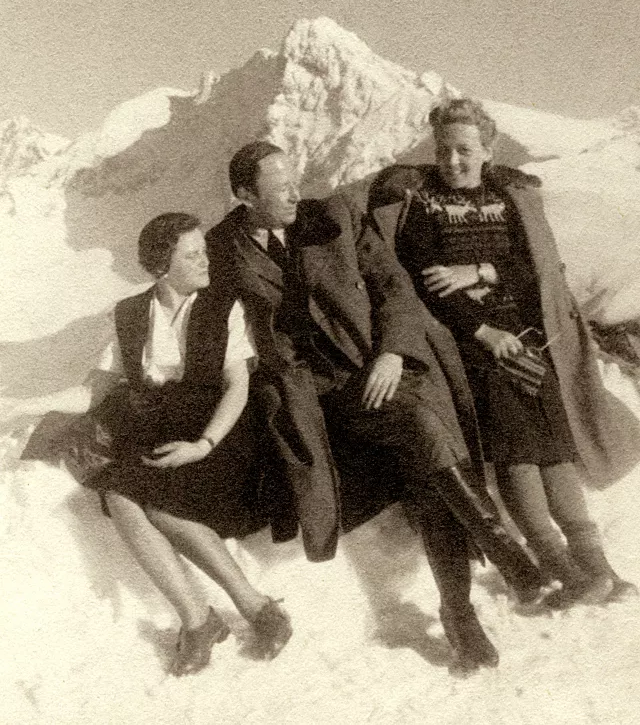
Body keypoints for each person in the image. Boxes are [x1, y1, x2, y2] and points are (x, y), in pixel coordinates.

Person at [206, 141, 547, 673]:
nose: (296, 192)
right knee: (420, 443)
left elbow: (395, 287)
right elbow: (195, 321)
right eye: (279, 189)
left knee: (420, 450)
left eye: (295, 179)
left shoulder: (333, 217)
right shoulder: (221, 249)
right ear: (245, 195)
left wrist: (391, 352)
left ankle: (467, 602)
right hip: (306, 399)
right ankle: (495, 558)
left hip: (370, 370)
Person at [369, 97, 640, 609]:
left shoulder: (508, 198)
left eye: (464, 150)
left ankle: (595, 561)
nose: (452, 160)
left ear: (488, 150)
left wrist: (478, 272)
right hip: (472, 346)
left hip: (533, 339)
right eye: (444, 150)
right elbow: (427, 287)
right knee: (518, 454)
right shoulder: (423, 205)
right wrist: (485, 333)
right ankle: (557, 564)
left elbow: (531, 270)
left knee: (556, 450)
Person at [59, 213, 291, 675]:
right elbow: (97, 387)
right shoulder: (130, 313)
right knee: (120, 496)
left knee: (165, 508)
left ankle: (255, 605)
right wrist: (23, 407)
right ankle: (197, 619)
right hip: (161, 432)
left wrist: (203, 444)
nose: (206, 260)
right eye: (193, 254)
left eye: (203, 250)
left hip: (224, 434)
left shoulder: (226, 306)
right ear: (162, 265)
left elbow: (237, 386)